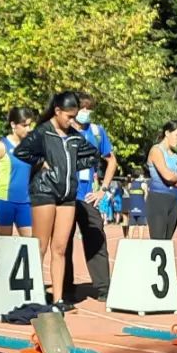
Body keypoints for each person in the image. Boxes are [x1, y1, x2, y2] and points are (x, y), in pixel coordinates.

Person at [14, 92, 102, 313]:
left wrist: (71, 165)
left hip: (67, 195)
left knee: (60, 248)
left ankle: (59, 298)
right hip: (44, 191)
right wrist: (42, 161)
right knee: (40, 246)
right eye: (68, 116)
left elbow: (93, 155)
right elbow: (21, 151)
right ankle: (34, 294)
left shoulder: (74, 136)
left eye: (74, 116)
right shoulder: (43, 132)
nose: (71, 121)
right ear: (58, 111)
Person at [63, 93, 118, 304]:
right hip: (66, 196)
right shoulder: (63, 131)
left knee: (96, 239)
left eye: (89, 108)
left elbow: (111, 161)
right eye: (83, 108)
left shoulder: (96, 132)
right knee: (64, 243)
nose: (86, 112)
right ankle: (66, 290)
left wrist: (103, 189)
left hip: (88, 197)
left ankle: (103, 287)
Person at [0, 107, 35, 236]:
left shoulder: (30, 146)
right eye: (24, 125)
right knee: (5, 244)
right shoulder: (1, 146)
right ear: (13, 125)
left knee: (31, 243)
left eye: (30, 125)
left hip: (25, 202)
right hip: (5, 202)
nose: (28, 129)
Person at [145, 122, 177, 243]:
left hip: (173, 200)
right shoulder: (156, 150)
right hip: (158, 199)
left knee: (167, 242)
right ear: (167, 133)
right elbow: (168, 176)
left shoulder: (176, 155)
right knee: (158, 242)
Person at [126, 170, 148, 238]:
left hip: (132, 206)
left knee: (131, 225)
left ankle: (130, 241)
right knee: (141, 225)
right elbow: (146, 195)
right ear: (140, 175)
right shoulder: (143, 184)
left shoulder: (130, 184)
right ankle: (140, 241)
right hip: (141, 206)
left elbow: (129, 191)